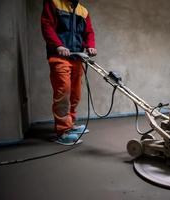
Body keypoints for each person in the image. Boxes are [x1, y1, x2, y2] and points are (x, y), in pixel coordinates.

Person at [41, 0, 97, 145]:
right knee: (63, 92)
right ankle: (62, 131)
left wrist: (90, 46)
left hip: (77, 57)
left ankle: (70, 124)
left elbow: (88, 32)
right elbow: (47, 25)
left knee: (75, 93)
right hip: (59, 56)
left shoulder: (83, 11)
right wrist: (58, 45)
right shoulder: (54, 3)